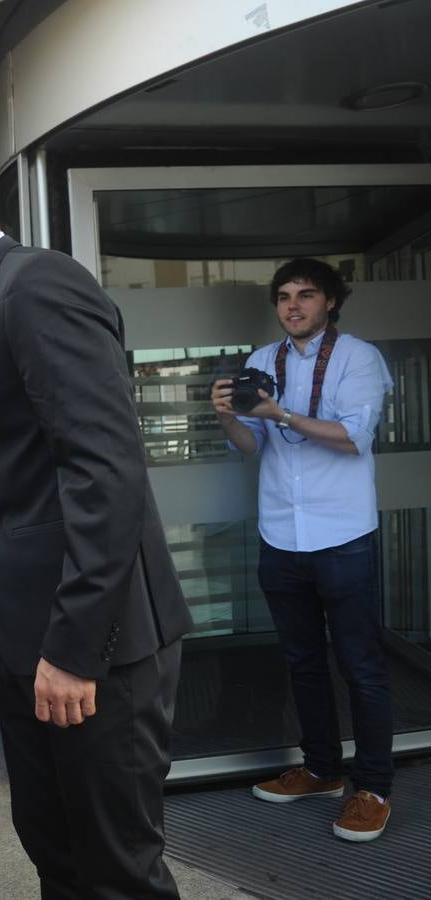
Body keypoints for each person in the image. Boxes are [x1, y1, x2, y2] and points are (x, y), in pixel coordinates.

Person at [0, 130, 193, 899]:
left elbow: (105, 470)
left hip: (94, 654)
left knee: (118, 873)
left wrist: (76, 649)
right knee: (59, 859)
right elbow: (6, 499)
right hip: (29, 651)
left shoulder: (39, 284)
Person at [211, 258, 394, 842]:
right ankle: (320, 769)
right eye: (285, 296)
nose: (293, 305)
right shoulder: (262, 362)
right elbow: (252, 445)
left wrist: (279, 411)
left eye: (306, 295)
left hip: (343, 536)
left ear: (330, 302)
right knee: (303, 663)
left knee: (362, 667)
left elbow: (350, 438)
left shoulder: (359, 358)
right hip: (281, 536)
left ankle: (372, 787)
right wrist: (227, 418)